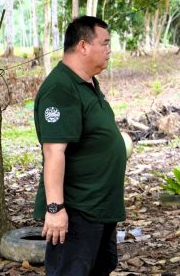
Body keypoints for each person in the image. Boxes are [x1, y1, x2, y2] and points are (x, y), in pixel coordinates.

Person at [33, 16, 127, 275]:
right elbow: (53, 152)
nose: (109, 50)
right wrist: (55, 209)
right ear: (83, 46)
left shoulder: (87, 83)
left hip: (99, 206)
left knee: (101, 267)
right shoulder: (60, 89)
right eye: (105, 43)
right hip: (77, 210)